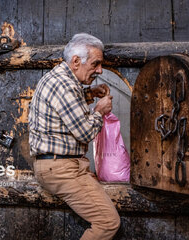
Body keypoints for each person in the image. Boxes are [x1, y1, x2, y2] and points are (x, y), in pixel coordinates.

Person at [28, 33, 120, 239]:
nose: (100, 70)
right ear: (76, 61)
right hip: (61, 169)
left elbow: (64, 109)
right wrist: (99, 111)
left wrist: (89, 93)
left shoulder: (61, 79)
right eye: (95, 64)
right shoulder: (64, 85)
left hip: (60, 166)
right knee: (108, 221)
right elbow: (85, 133)